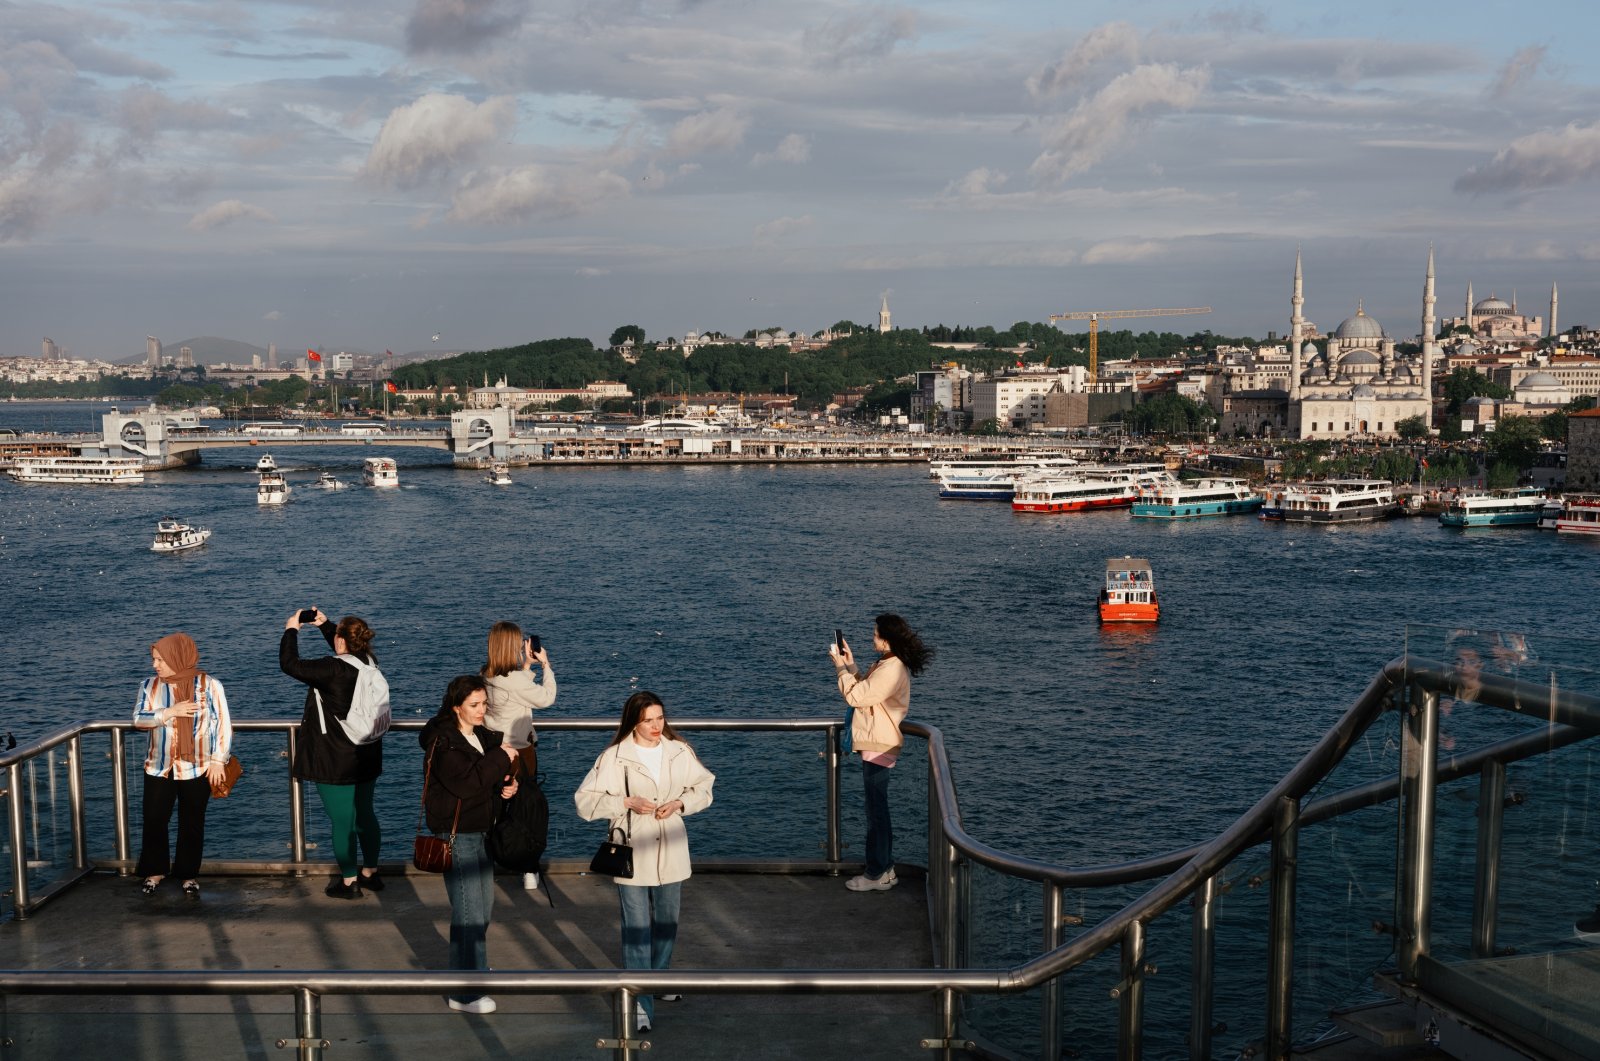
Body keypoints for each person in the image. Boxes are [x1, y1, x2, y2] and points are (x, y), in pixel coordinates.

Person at [575, 691, 715, 1034]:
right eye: (648, 719)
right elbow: (583, 802)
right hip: (632, 851)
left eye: (660, 718)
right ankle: (640, 1002)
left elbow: (705, 788)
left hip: (671, 845)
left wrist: (680, 803)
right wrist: (624, 802)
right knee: (636, 929)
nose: (656, 726)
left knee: (667, 920)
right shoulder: (614, 757)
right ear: (633, 721)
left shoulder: (679, 751)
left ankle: (659, 976)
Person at [420, 675, 519, 1015]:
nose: (482, 711)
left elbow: (482, 782)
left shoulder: (476, 736)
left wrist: (505, 785)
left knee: (483, 907)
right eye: (475, 705)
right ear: (456, 707)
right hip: (456, 834)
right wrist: (502, 758)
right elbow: (465, 784)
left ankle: (472, 968)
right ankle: (463, 991)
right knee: (468, 912)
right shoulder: (444, 742)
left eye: (484, 704)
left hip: (480, 831)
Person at [281, 608, 384, 898]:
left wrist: (292, 629)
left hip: (335, 759)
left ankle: (349, 882)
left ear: (341, 642)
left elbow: (290, 664)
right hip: (366, 752)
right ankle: (371, 873)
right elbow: (345, 655)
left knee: (342, 822)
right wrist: (326, 625)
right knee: (365, 814)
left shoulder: (332, 669)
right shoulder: (368, 662)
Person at [829, 613, 932, 893]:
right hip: (878, 743)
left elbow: (858, 696)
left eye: (875, 634)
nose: (872, 638)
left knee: (876, 814)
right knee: (877, 811)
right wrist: (850, 664)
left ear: (887, 639)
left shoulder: (893, 667)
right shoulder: (887, 663)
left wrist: (840, 669)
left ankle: (877, 872)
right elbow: (866, 688)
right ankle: (883, 870)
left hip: (880, 744)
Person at [133, 632, 233, 898]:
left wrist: (218, 760)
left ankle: (188, 875)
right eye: (154, 659)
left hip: (199, 766)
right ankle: (154, 871)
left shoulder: (209, 685)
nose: (156, 665)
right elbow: (139, 720)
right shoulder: (149, 686)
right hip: (159, 766)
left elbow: (223, 724)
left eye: (160, 659)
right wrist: (168, 712)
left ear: (177, 657)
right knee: (154, 819)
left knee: (192, 822)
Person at [480, 620, 557, 890]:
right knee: (525, 811)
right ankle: (528, 869)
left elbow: (514, 690)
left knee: (496, 809)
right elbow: (546, 698)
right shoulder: (510, 680)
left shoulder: (487, 674)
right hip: (519, 752)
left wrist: (526, 667)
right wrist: (545, 666)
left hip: (494, 750)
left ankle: (487, 865)